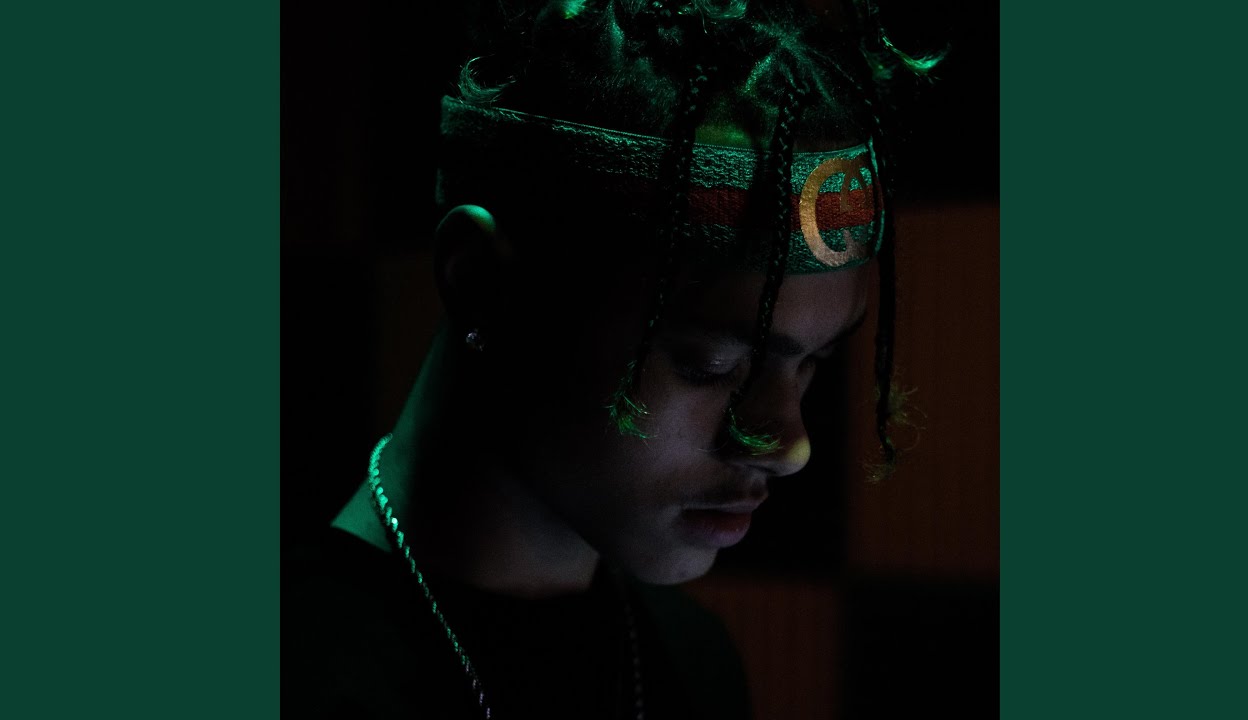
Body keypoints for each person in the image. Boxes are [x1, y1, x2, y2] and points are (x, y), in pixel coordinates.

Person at [285, 0, 937, 717]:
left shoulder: (695, 665)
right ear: (483, 286)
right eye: (712, 364)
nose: (790, 446)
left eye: (813, 362)